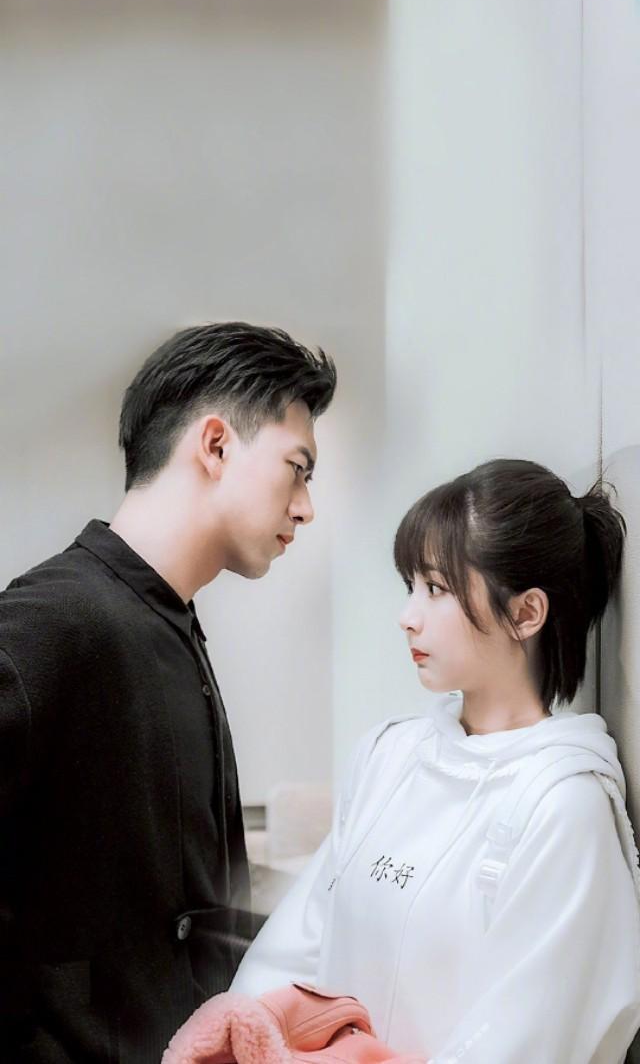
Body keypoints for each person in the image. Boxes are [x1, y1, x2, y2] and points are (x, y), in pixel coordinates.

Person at [0, 321, 337, 1063]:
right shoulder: (52, 620)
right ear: (215, 445)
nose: (305, 506)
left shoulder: (170, 621)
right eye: (297, 468)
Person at [231, 459, 640, 1063]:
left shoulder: (563, 806)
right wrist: (242, 1034)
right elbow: (296, 947)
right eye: (411, 586)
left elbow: (524, 1040)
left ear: (526, 613)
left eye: (436, 588)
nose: (408, 615)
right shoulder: (389, 755)